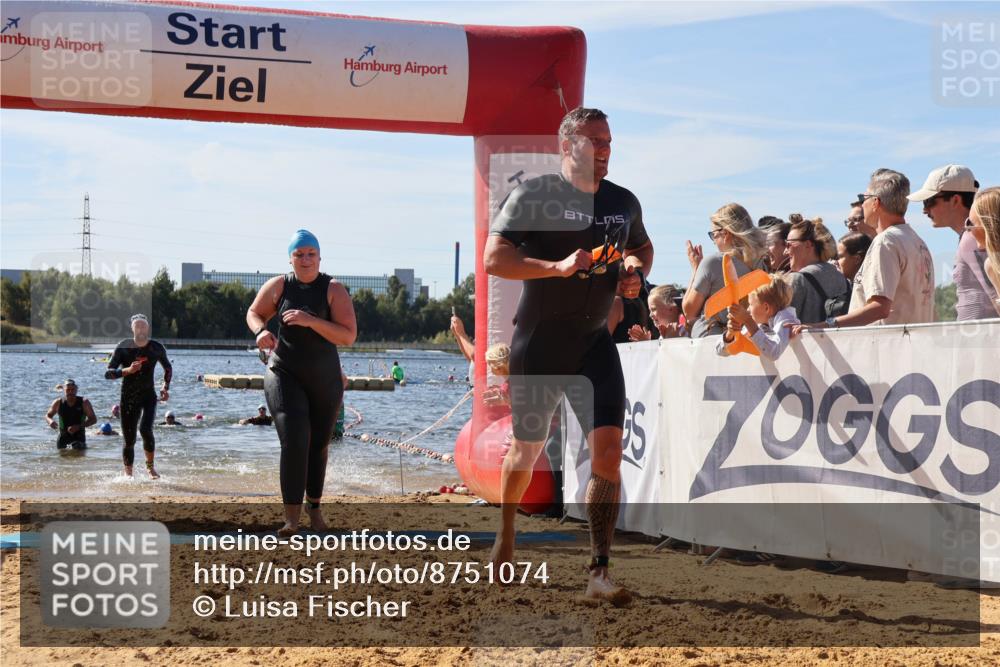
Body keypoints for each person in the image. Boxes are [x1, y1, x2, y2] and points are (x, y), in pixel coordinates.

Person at [483, 106, 653, 602]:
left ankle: (599, 571)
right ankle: (506, 533)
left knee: (609, 455)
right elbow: (495, 259)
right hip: (541, 343)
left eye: (608, 142)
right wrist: (555, 267)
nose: (604, 150)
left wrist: (633, 271)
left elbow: (642, 249)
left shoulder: (622, 201)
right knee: (527, 449)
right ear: (566, 146)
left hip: (594, 342)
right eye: (594, 141)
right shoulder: (534, 195)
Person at [247, 229, 357, 537]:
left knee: (318, 444)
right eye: (299, 254)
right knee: (295, 440)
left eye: (311, 254)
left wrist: (311, 321)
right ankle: (291, 519)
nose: (305, 259)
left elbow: (348, 336)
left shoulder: (333, 289)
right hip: (284, 373)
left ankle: (315, 509)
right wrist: (260, 331)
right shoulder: (279, 286)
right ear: (290, 258)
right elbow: (254, 312)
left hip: (325, 378)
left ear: (320, 258)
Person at [796, 169, 935, 333]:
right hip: (914, 342)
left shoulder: (886, 242)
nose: (862, 205)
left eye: (863, 198)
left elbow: (879, 308)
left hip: (886, 344)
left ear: (876, 202)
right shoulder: (918, 242)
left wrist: (825, 325)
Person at [908, 164, 997, 320]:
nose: (924, 210)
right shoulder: (971, 237)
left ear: (955, 200)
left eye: (929, 201)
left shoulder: (971, 238)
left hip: (983, 333)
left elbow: (995, 294)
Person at [683, 203, 766, 337]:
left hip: (713, 340)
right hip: (750, 337)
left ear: (725, 233)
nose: (714, 241)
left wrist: (696, 268)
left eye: (714, 235)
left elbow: (689, 311)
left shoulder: (714, 262)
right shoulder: (762, 264)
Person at [105, 314, 172, 478]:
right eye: (138, 326)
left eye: (143, 326)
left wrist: (165, 387)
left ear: (148, 328)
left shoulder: (156, 347)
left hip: (148, 395)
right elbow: (108, 373)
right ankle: (128, 474)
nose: (141, 329)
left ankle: (150, 468)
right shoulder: (123, 347)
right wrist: (127, 370)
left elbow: (168, 368)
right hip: (128, 397)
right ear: (132, 328)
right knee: (129, 439)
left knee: (146, 430)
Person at [783, 216, 850, 324]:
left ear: (808, 244)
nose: (785, 251)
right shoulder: (842, 278)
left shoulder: (797, 279)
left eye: (788, 244)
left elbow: (784, 326)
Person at [717, 275, 800, 360]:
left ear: (766, 308)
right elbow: (720, 351)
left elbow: (773, 352)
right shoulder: (758, 323)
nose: (748, 309)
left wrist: (747, 320)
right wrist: (730, 334)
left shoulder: (787, 319)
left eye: (750, 304)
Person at [968, 186, 1000, 309]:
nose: (967, 229)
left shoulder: (993, 266)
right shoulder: (992, 265)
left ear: (989, 226)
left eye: (970, 223)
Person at [45, 379, 97, 451]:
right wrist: (50, 421)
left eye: (73, 390)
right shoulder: (58, 402)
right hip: (63, 437)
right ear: (64, 390)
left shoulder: (84, 402)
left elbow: (93, 419)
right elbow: (48, 415)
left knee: (78, 455)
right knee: (61, 457)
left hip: (79, 437)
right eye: (68, 390)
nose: (70, 392)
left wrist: (78, 427)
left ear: (76, 390)